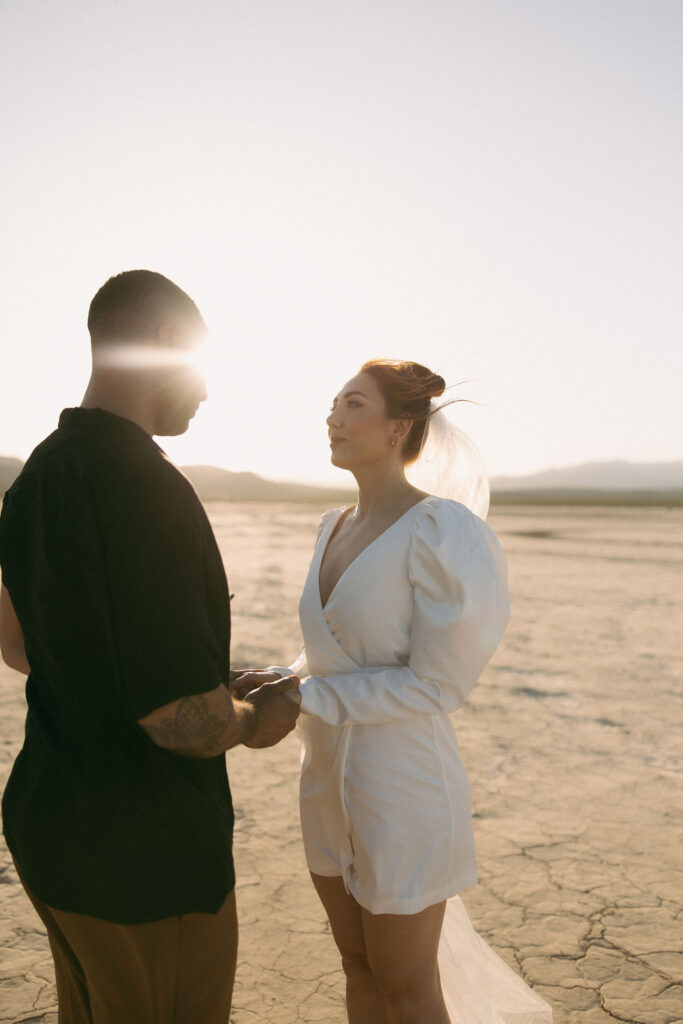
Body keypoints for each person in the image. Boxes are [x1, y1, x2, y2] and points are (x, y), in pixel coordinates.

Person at [0, 270, 300, 1024]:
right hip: (142, 854)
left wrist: (213, 674)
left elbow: (25, 645)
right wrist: (253, 716)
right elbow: (177, 721)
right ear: (166, 343)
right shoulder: (143, 484)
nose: (205, 392)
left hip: (52, 826)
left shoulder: (37, 473)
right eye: (200, 365)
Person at [236, 359, 554, 1023]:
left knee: (407, 988)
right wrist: (283, 677)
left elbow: (438, 683)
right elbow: (335, 649)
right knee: (357, 968)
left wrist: (307, 698)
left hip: (401, 789)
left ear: (397, 428)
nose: (333, 417)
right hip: (322, 780)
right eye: (333, 403)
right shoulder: (332, 526)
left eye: (353, 404)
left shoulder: (442, 531)